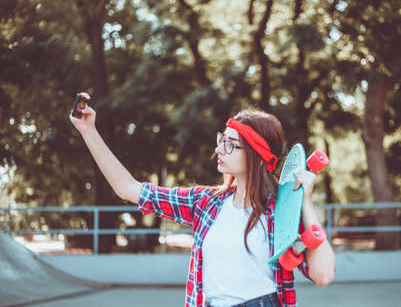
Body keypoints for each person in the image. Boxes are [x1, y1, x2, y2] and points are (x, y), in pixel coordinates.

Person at [70, 93, 336, 307]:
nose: (219, 149)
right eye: (222, 139)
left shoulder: (282, 211)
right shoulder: (205, 203)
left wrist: (306, 203)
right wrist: (88, 132)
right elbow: (128, 188)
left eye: (231, 144)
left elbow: (323, 275)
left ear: (256, 154)